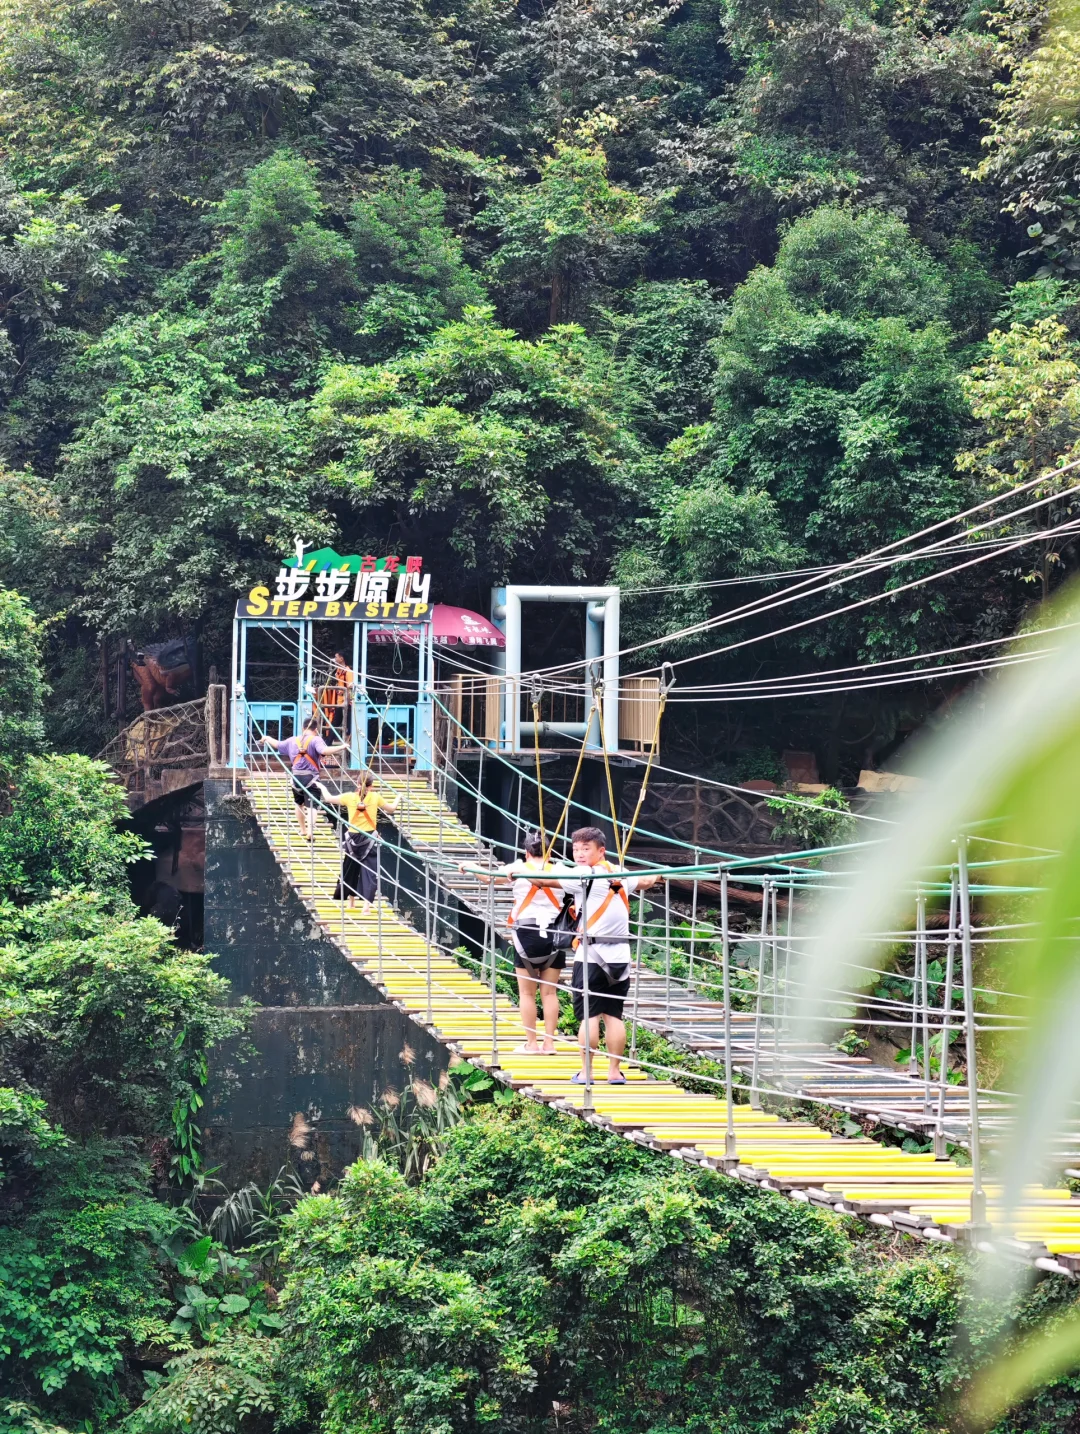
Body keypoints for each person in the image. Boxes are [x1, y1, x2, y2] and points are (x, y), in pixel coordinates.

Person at [556, 826, 659, 1085]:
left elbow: (545, 880)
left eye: (585, 849)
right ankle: (614, 1072)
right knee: (614, 1015)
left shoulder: (582, 875)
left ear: (600, 851)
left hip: (591, 956)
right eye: (576, 849)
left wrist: (516, 872)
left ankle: (587, 1072)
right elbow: (646, 881)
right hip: (620, 959)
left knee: (589, 1016)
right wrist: (660, 874)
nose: (579, 854)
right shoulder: (619, 873)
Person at [462, 833, 570, 1054]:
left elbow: (489, 877)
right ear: (549, 852)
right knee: (549, 993)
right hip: (555, 934)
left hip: (526, 933)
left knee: (527, 993)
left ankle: (531, 1044)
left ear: (527, 852)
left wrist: (471, 865)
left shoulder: (518, 867)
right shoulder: (561, 870)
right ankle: (549, 1044)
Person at [323, 769, 398, 913]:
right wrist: (398, 798)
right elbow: (392, 809)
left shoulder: (349, 797)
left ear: (357, 783)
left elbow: (328, 798)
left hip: (352, 838)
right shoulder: (375, 797)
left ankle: (351, 903)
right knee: (369, 872)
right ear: (371, 786)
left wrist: (321, 787)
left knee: (351, 868)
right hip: (369, 838)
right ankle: (366, 908)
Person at [260, 716, 348, 839]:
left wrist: (267, 738)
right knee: (311, 806)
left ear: (303, 728)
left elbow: (277, 744)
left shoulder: (292, 740)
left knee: (299, 803)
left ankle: (302, 830)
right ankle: (310, 831)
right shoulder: (316, 740)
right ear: (316, 729)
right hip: (311, 778)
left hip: (296, 778)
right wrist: (341, 747)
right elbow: (325, 750)